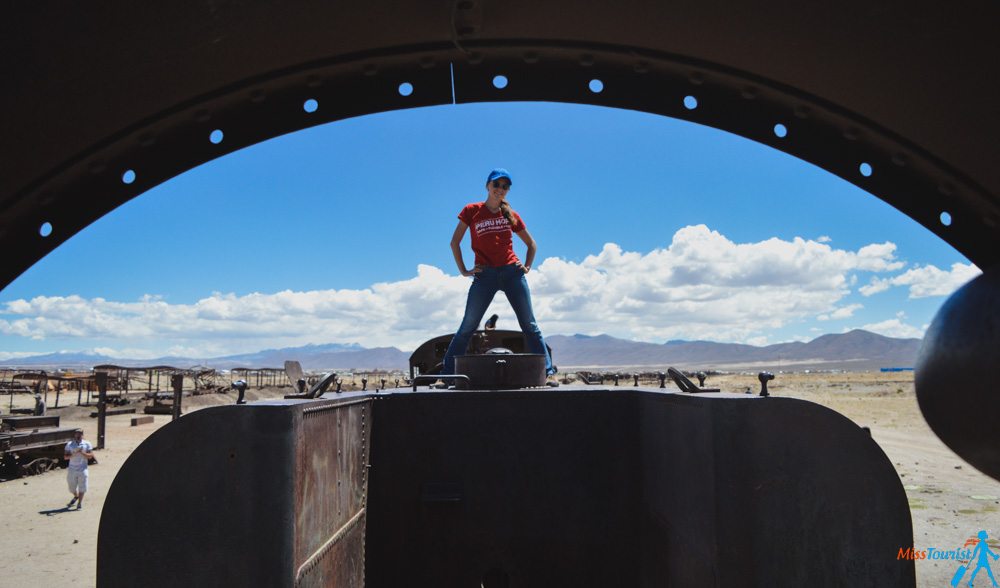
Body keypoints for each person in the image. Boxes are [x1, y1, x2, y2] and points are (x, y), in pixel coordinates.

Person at [442, 169, 555, 376]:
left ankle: (547, 373)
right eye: (496, 185)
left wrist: (527, 267)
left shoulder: (511, 215)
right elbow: (454, 242)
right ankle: (447, 373)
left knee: (529, 325)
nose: (500, 190)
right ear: (487, 186)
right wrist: (464, 270)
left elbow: (531, 244)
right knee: (468, 326)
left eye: (505, 187)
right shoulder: (471, 211)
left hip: (512, 273)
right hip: (485, 275)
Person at [64, 429, 93, 510]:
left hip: (83, 469)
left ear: (82, 434)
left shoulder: (87, 444)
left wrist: (82, 452)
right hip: (72, 469)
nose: (78, 435)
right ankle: (76, 496)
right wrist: (74, 453)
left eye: (80, 433)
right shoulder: (69, 444)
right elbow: (65, 457)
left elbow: (90, 456)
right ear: (75, 435)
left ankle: (79, 503)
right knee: (71, 487)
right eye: (77, 433)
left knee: (82, 487)